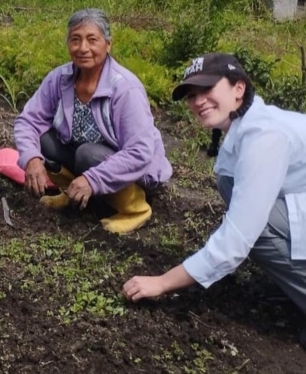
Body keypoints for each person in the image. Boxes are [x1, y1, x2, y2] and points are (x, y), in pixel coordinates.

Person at [122, 52, 306, 346]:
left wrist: (163, 282)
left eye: (207, 89)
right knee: (235, 188)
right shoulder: (244, 127)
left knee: (257, 228)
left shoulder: (264, 138)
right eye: (192, 94)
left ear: (238, 88)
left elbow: (237, 239)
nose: (198, 101)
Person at [13, 8, 172, 234]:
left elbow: (140, 152)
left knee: (88, 154)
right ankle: (72, 194)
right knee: (43, 142)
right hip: (86, 161)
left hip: (133, 172)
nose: (83, 48)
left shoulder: (125, 88)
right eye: (75, 40)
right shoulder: (59, 78)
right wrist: (31, 159)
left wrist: (92, 179)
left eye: (92, 39)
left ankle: (135, 209)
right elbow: (28, 121)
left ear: (108, 44)